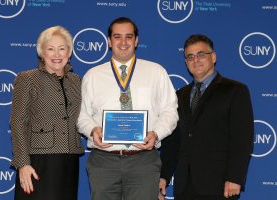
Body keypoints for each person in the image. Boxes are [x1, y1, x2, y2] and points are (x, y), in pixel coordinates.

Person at [77, 17, 178, 200]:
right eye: (117, 37)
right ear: (109, 41)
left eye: (128, 37)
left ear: (136, 40)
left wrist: (156, 134)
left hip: (144, 160)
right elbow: (82, 117)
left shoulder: (156, 72)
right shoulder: (93, 75)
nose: (123, 42)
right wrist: (92, 130)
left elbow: (170, 111)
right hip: (103, 161)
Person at [159, 34, 254, 200]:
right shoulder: (179, 96)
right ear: (186, 62)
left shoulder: (235, 91)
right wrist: (164, 176)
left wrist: (234, 177)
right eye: (190, 56)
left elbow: (242, 139)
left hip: (219, 185)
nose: (195, 60)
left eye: (201, 54)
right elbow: (173, 142)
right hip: (184, 186)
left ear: (214, 57)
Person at [10, 26, 84, 200]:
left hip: (69, 161)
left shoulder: (77, 81)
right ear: (42, 53)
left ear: (69, 52)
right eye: (50, 49)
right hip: (38, 162)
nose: (56, 54)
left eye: (62, 48)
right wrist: (23, 164)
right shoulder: (27, 78)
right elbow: (17, 122)